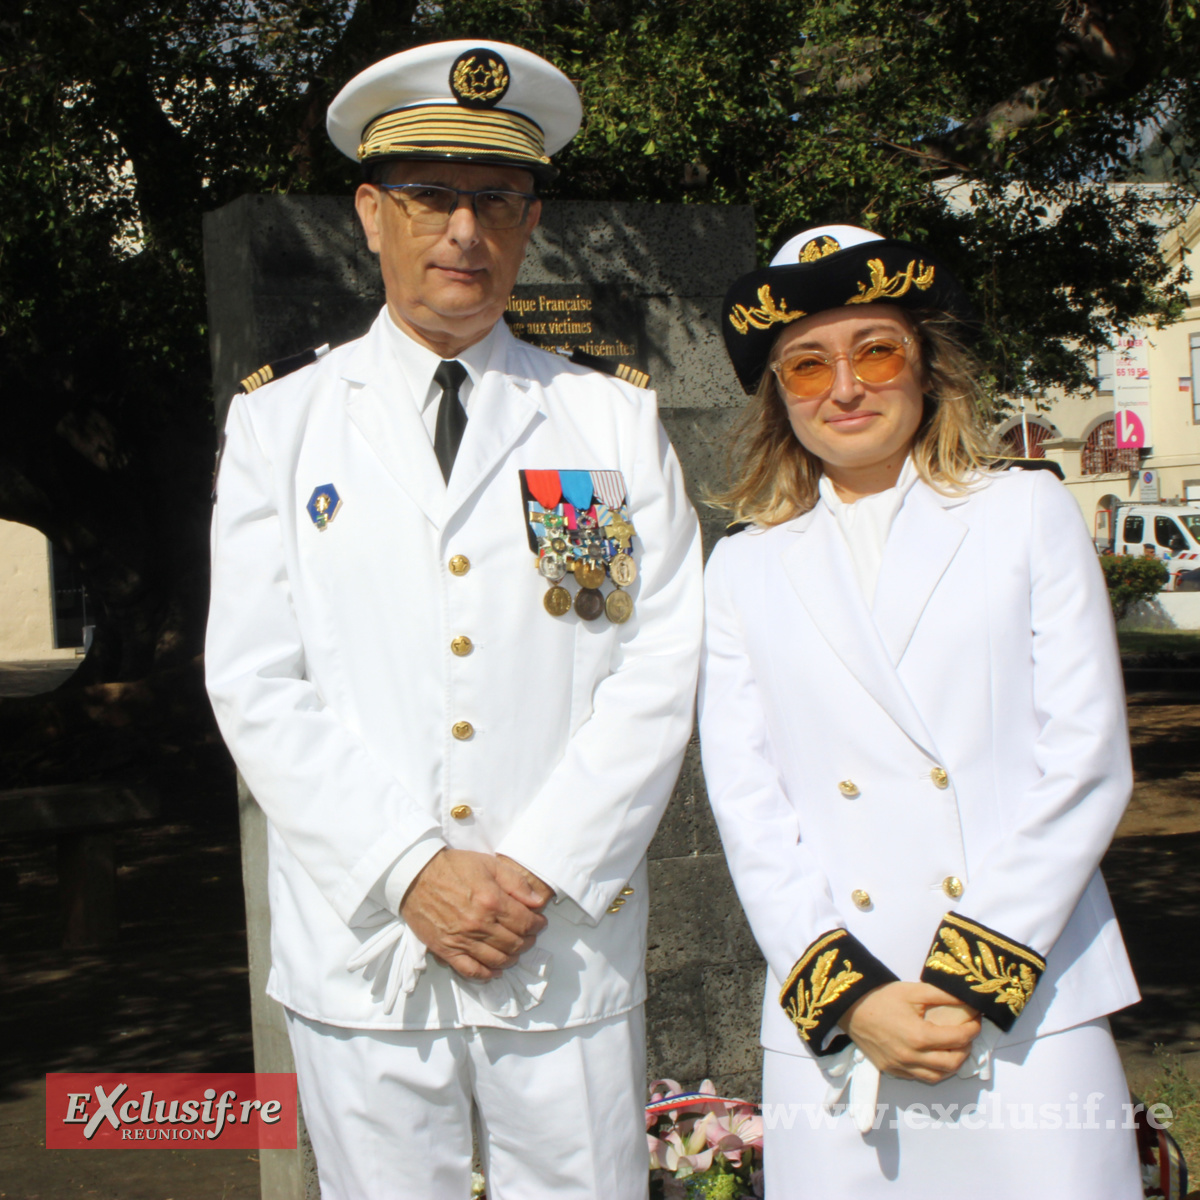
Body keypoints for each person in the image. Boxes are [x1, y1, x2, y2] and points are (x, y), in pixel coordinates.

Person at [205, 40, 703, 1200]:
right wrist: (410, 867)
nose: (463, 233)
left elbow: (658, 659)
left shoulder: (606, 427)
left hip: (558, 939)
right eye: (431, 198)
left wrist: (533, 866)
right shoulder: (284, 427)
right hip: (365, 941)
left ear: (530, 223)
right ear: (372, 214)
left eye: (497, 201)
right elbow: (256, 681)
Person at [697, 224, 1142, 1196]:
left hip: (1024, 1000)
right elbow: (750, 805)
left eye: (876, 351)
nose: (845, 388)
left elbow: (1087, 761)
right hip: (839, 1024)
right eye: (806, 366)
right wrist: (854, 999)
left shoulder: (1024, 513)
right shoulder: (742, 566)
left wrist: (963, 980)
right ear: (778, 395)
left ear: (926, 367)